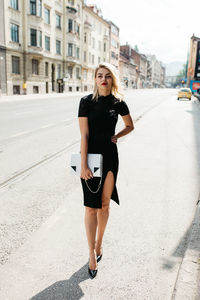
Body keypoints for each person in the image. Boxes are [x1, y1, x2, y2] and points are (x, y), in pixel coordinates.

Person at [78, 62, 134, 279]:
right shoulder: (85, 102)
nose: (103, 79)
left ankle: (99, 243)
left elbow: (130, 125)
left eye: (107, 76)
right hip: (90, 158)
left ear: (112, 80)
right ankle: (91, 253)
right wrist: (83, 165)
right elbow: (83, 135)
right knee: (91, 207)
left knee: (104, 205)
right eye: (99, 75)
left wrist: (117, 136)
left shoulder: (119, 103)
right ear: (94, 79)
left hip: (110, 157)